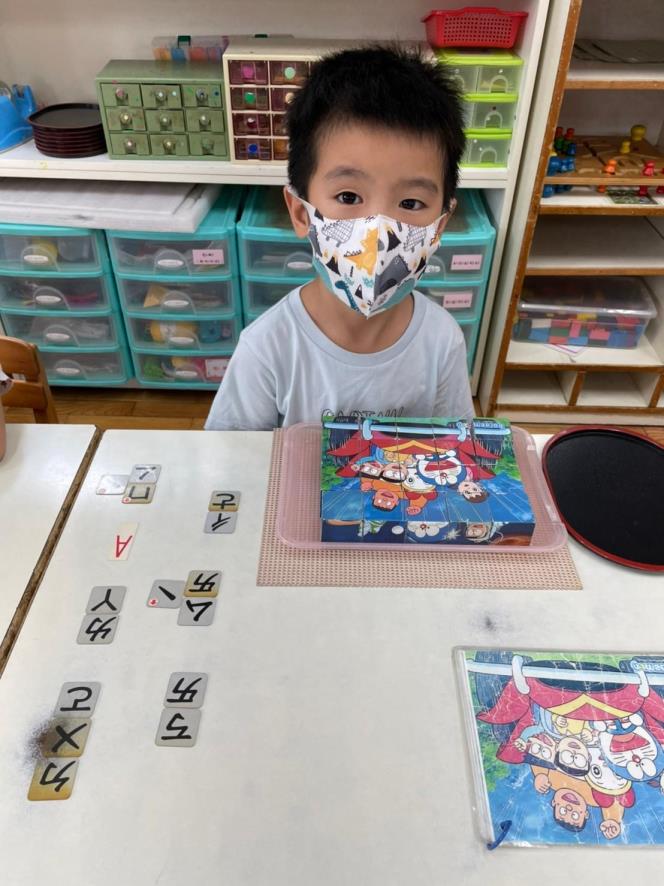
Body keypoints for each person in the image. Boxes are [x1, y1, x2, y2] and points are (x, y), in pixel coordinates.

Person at [206, 45, 473, 430]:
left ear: (440, 226)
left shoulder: (442, 341)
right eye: (348, 197)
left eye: (410, 203)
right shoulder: (267, 348)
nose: (379, 233)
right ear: (302, 213)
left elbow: (455, 445)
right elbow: (231, 456)